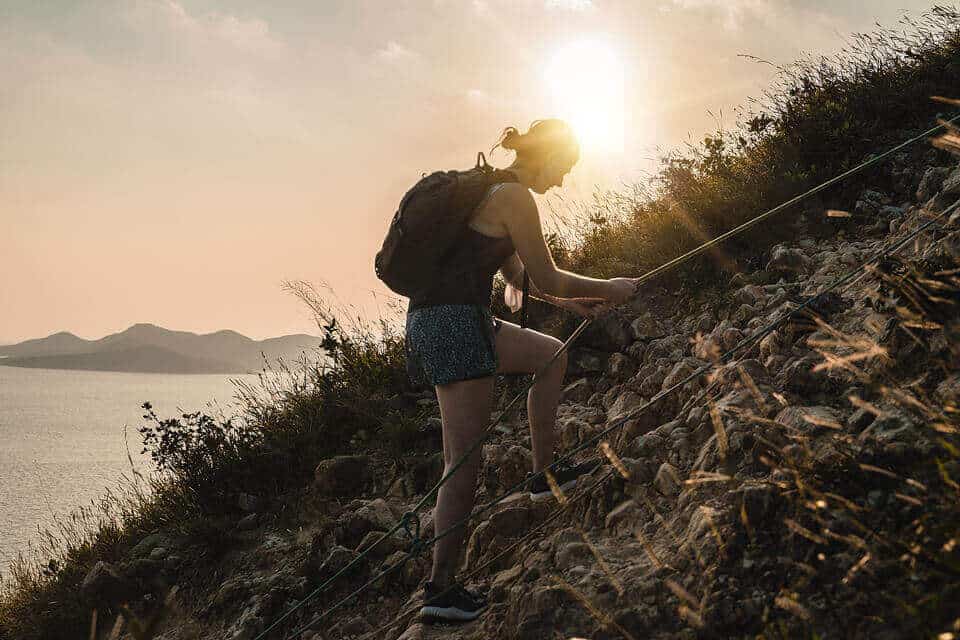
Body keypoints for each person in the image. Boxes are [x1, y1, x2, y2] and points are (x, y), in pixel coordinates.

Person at [405, 119, 642, 623]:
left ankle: (542, 473)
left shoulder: (487, 192)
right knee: (463, 461)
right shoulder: (515, 199)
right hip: (455, 324)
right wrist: (610, 288)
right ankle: (441, 591)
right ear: (548, 156)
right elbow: (546, 273)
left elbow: (519, 278)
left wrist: (576, 303)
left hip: (445, 320)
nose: (563, 181)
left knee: (550, 355)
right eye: (565, 168)